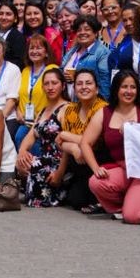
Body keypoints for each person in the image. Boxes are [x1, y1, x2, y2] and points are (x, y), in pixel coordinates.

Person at [83, 71, 140, 224]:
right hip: (123, 170)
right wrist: (95, 167)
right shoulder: (104, 113)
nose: (129, 91)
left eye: (133, 87)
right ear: (116, 89)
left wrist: (134, 130)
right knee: (96, 182)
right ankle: (128, 204)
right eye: (124, 87)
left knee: (133, 217)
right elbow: (85, 143)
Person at [17, 67, 70, 207]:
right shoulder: (43, 110)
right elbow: (30, 136)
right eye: (46, 84)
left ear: (63, 85)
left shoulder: (67, 109)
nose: (50, 87)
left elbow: (68, 146)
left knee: (35, 163)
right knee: (25, 159)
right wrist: (21, 153)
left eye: (54, 83)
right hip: (44, 158)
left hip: (61, 162)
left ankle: (44, 196)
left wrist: (60, 172)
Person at [57, 70, 107, 211]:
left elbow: (95, 142)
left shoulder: (103, 109)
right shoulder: (70, 110)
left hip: (100, 159)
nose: (84, 87)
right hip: (78, 161)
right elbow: (59, 143)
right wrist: (73, 148)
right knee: (75, 200)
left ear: (96, 89)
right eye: (79, 84)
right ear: (74, 89)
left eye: (88, 83)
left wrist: (66, 135)